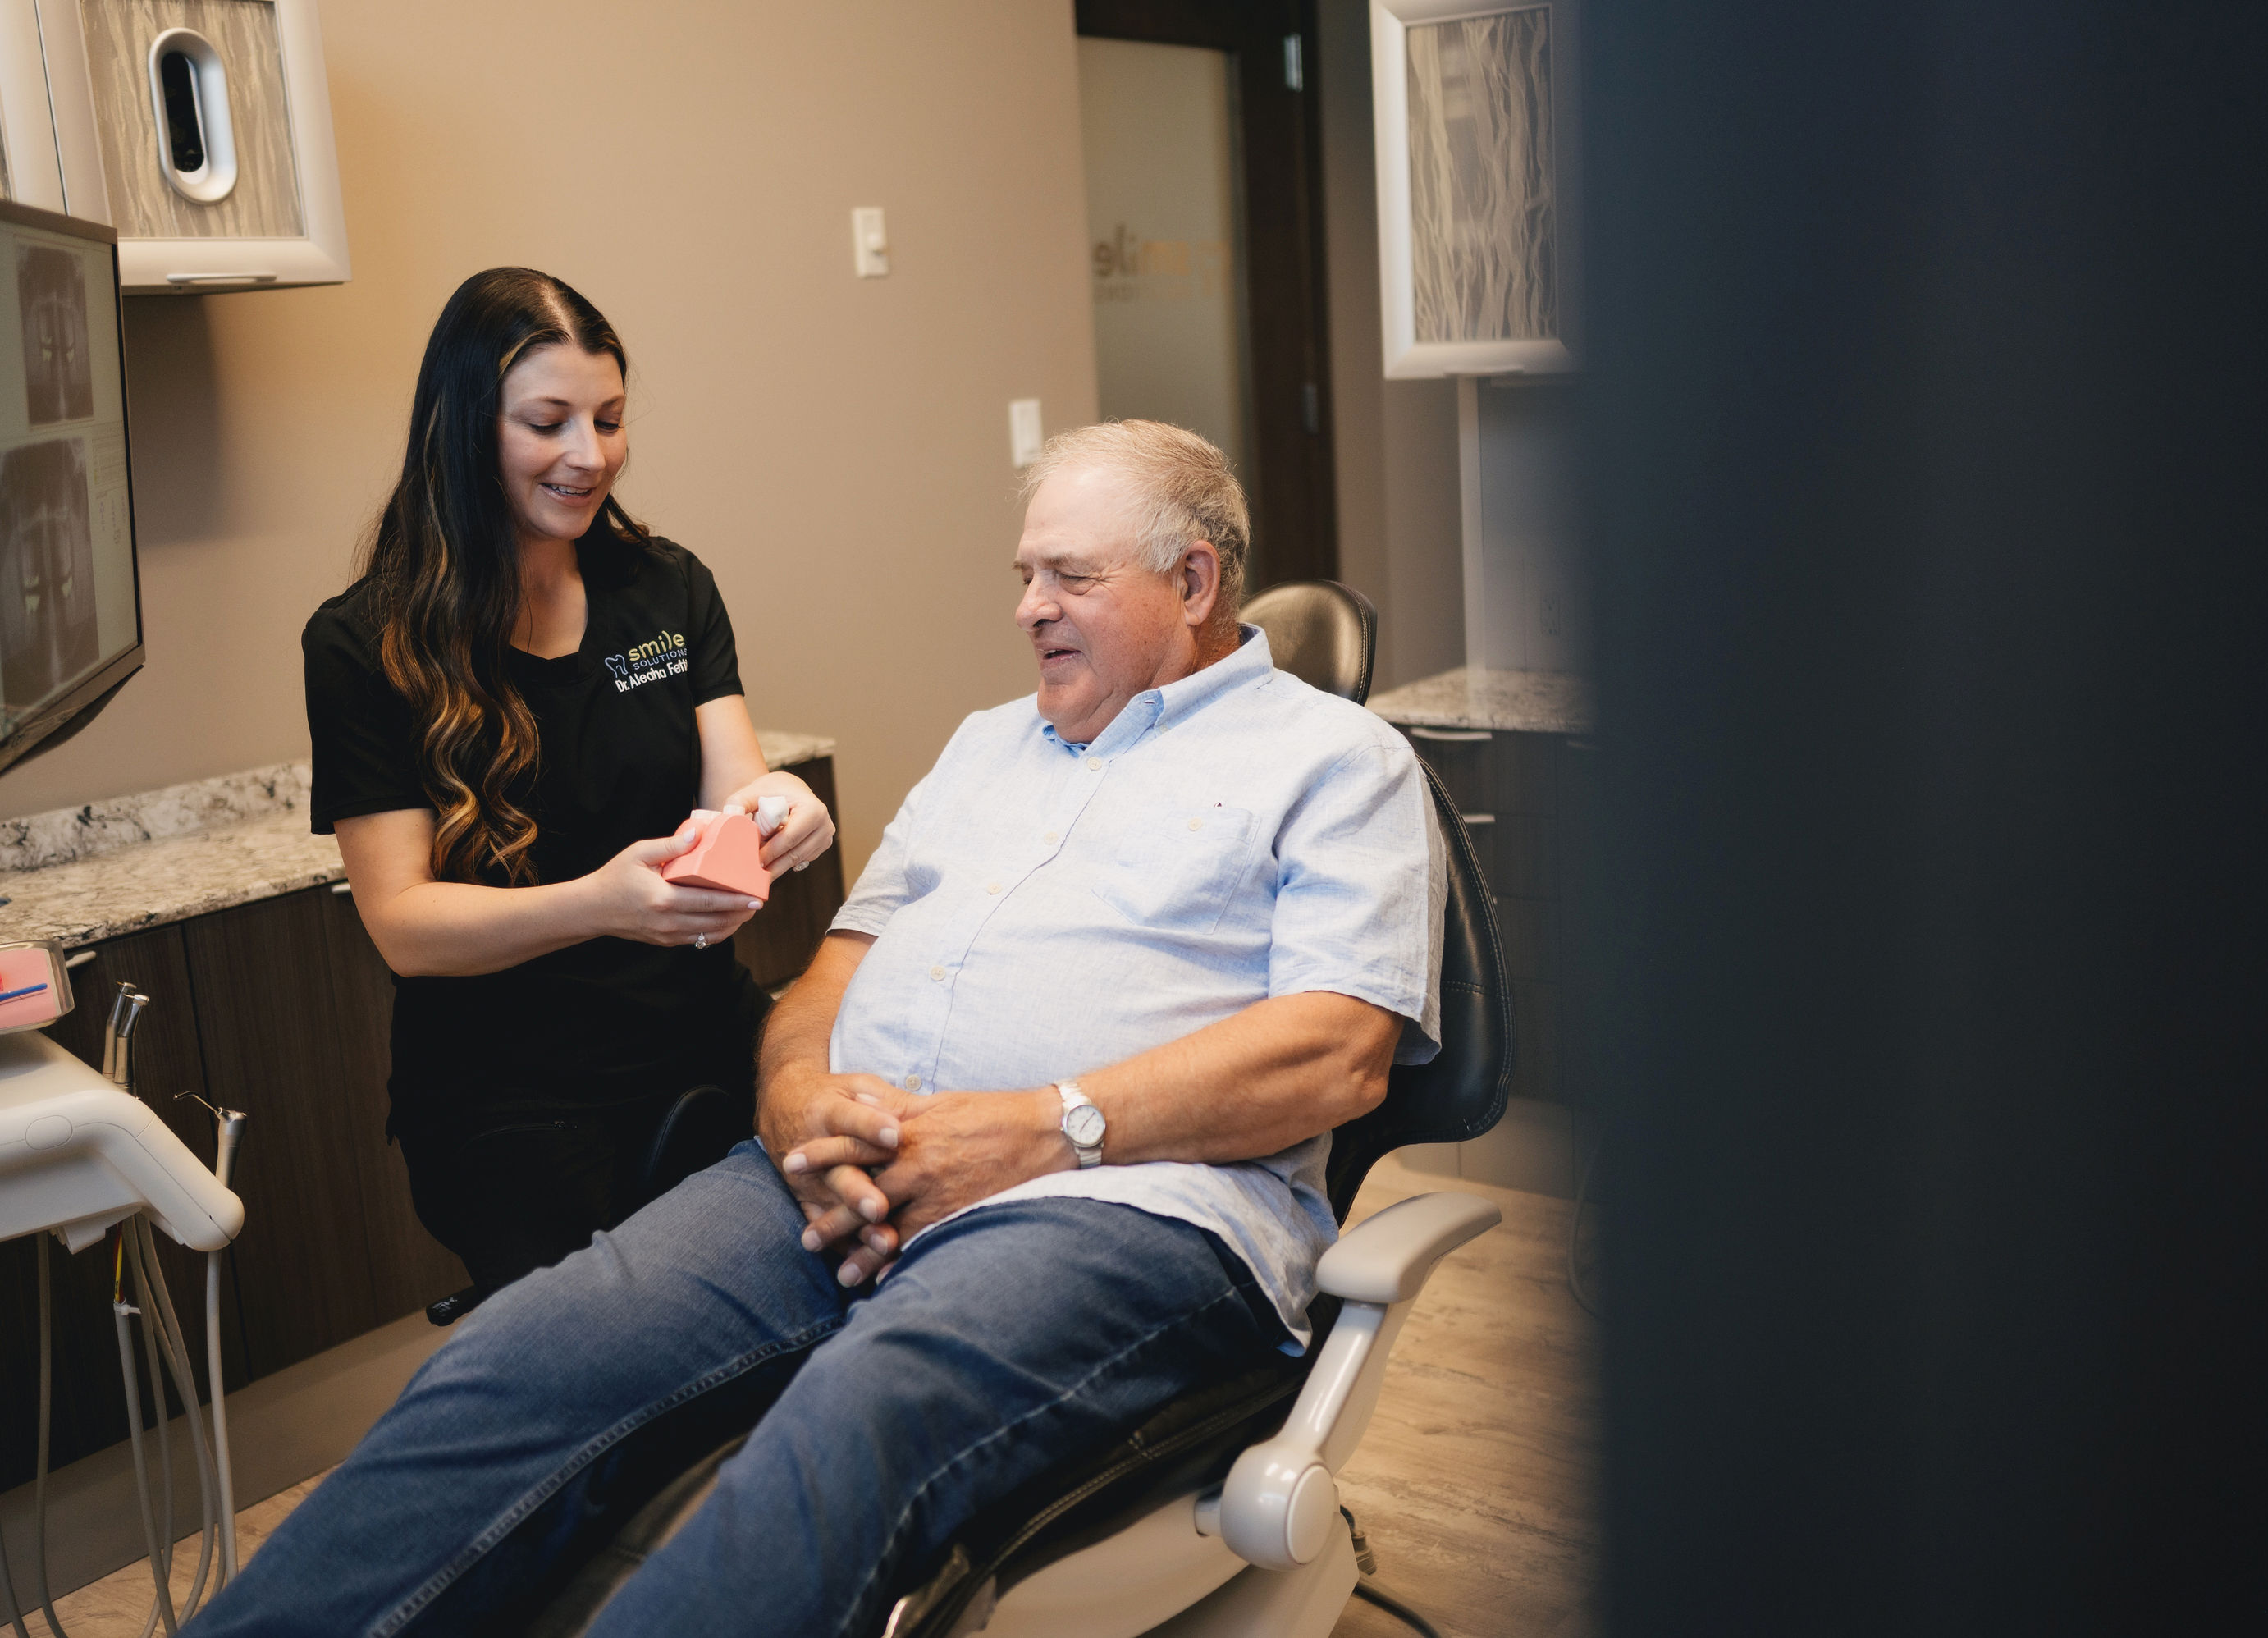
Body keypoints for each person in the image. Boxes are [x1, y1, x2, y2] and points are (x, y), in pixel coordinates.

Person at [193, 420, 1440, 1638]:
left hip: (1126, 1208)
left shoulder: (1336, 761)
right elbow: (832, 972)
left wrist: (1020, 1136)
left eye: (1070, 576)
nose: (1029, 607)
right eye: (1024, 575)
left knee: (858, 1414)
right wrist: (790, 1097)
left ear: (1194, 579)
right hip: (832, 1168)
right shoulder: (985, 747)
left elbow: (1337, 1052)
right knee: (524, 1359)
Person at [302, 268, 836, 1297]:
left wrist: (778, 813)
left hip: (699, 1036)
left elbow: (739, 787)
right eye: (549, 423)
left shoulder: (666, 585)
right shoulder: (365, 642)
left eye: (610, 418)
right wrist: (601, 904)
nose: (590, 456)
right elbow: (402, 922)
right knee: (628, 1346)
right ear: (466, 428)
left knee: (826, 1271)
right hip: (508, 1095)